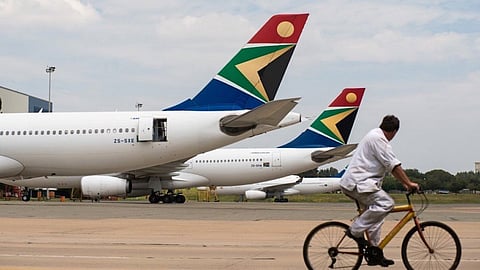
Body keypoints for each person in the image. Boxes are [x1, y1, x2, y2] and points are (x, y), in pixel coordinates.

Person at [340, 115, 419, 267]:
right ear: (394, 131)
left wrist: (404, 183)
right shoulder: (379, 139)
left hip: (361, 184)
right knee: (386, 204)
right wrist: (409, 183)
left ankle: (375, 252)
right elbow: (393, 165)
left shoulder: (375, 135)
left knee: (377, 216)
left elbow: (391, 167)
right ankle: (355, 230)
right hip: (358, 183)